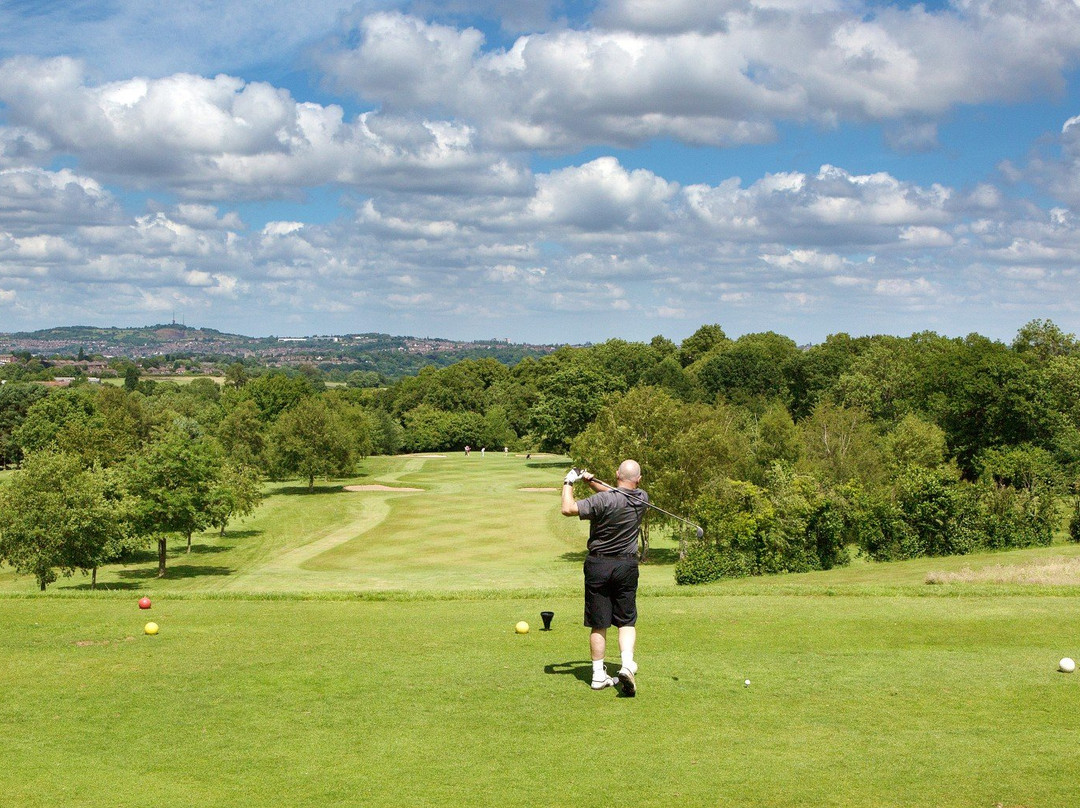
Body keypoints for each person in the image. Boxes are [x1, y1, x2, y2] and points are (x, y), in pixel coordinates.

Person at [560, 459, 648, 696]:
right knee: (626, 620)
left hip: (598, 564)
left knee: (599, 622)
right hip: (627, 565)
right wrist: (592, 482)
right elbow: (618, 495)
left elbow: (568, 509)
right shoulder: (641, 498)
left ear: (617, 473)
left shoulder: (602, 501)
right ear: (638, 480)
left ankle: (598, 675)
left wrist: (569, 481)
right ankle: (627, 664)